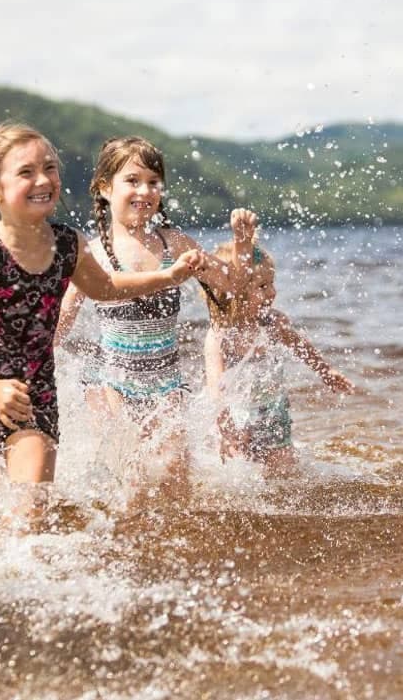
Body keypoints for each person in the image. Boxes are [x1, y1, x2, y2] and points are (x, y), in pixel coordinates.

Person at [0, 124, 211, 519]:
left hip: (35, 398)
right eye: (26, 172)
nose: (44, 179)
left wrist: (167, 277)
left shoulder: (68, 243)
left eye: (50, 168)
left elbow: (108, 286)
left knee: (30, 515)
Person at [53, 136, 256, 495]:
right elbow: (60, 324)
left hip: (165, 383)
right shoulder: (93, 255)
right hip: (110, 380)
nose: (144, 190)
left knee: (177, 479)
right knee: (128, 477)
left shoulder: (174, 244)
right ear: (104, 188)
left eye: (153, 182)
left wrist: (241, 246)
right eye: (132, 180)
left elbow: (230, 286)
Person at [203, 242, 354, 476]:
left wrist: (325, 371)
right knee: (238, 475)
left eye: (272, 283)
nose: (272, 292)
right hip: (235, 416)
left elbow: (300, 346)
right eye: (262, 286)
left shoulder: (274, 323)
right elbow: (215, 387)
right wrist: (226, 423)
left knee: (284, 470)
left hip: (273, 412)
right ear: (231, 292)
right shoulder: (220, 335)